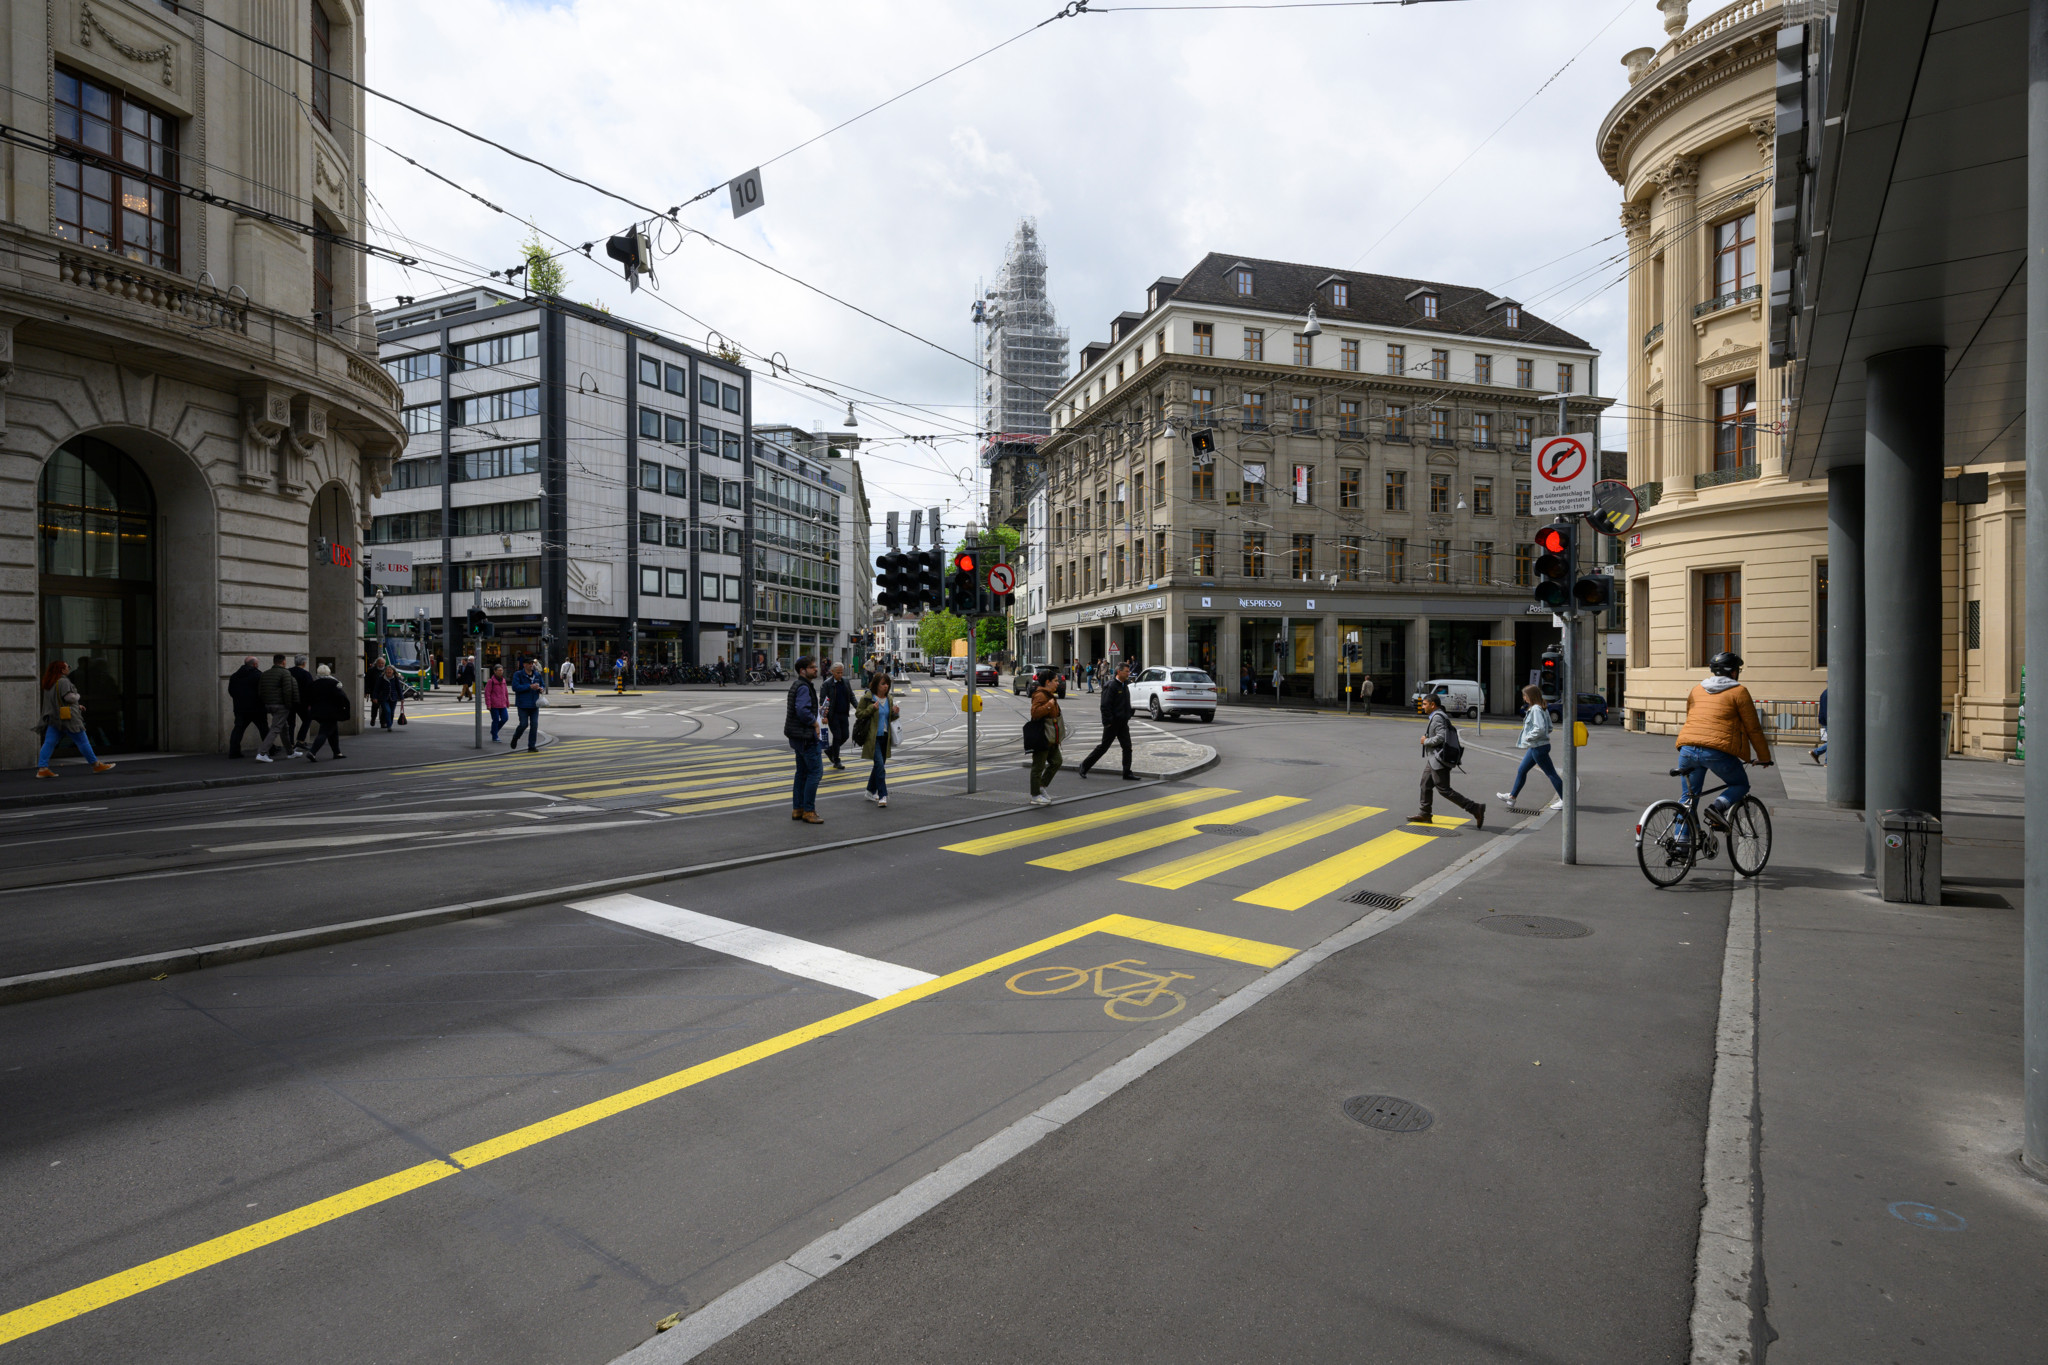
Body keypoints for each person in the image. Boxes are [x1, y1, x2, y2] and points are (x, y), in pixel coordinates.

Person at [1675, 651, 1773, 832]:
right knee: (1740, 784)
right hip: (1717, 750)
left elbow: (1691, 715)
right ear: (1734, 672)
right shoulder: (1739, 691)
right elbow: (1753, 728)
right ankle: (1717, 808)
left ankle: (1681, 844)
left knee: (1688, 799)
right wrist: (1764, 757)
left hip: (1687, 749)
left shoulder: (1697, 689)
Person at [1412, 692, 1485, 828]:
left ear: (1433, 705)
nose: (1423, 706)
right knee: (1425, 784)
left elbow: (1441, 737)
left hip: (1439, 758)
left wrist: (1426, 740)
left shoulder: (1438, 717)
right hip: (1434, 758)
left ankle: (1475, 808)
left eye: (1425, 704)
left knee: (1444, 789)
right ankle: (1425, 813)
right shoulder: (1436, 716)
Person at [35, 660, 116, 777]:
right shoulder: (63, 681)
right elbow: (69, 698)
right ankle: (96, 765)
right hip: (69, 718)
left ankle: (42, 768)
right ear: (62, 670)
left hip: (55, 717)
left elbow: (57, 700)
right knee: (82, 741)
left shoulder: (49, 682)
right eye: (68, 666)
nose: (69, 668)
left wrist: (77, 706)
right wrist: (78, 696)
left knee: (49, 742)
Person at [1497, 684, 1565, 812]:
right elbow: (1549, 728)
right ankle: (1512, 797)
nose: (1524, 698)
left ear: (1531, 696)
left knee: (1551, 773)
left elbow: (1539, 728)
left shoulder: (1536, 709)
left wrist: (1529, 737)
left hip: (1538, 747)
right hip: (1537, 746)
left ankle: (1565, 800)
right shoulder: (1543, 708)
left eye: (1525, 695)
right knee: (1522, 770)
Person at [1079, 661, 1137, 781]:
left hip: (1123, 723)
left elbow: (1126, 703)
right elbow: (1105, 705)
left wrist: (1128, 715)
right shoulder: (1111, 685)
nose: (1128, 673)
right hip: (1112, 723)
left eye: (1128, 671)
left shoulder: (1124, 685)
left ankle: (1127, 772)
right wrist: (1108, 722)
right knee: (1103, 747)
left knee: (1127, 747)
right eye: (1126, 671)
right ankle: (1084, 765)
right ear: (1119, 672)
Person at [785, 655, 826, 823]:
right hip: (806, 736)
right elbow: (802, 710)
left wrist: (819, 711)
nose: (816, 669)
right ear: (803, 671)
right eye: (812, 667)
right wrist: (814, 723)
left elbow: (802, 708)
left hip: (798, 737)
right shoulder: (803, 687)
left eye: (815, 666)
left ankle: (798, 808)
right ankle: (809, 811)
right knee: (815, 772)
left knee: (801, 773)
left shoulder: (798, 685)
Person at [857, 672, 900, 808]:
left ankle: (870, 791)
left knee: (878, 766)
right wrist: (871, 708)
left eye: (887, 683)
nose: (886, 686)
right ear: (876, 685)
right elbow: (859, 714)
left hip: (885, 738)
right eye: (883, 684)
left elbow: (889, 718)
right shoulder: (868, 698)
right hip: (872, 737)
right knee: (880, 767)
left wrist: (895, 713)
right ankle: (883, 795)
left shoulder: (889, 699)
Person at [1027, 666, 1065, 807]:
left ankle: (1041, 786)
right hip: (1042, 736)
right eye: (1055, 681)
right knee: (1038, 766)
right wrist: (1048, 706)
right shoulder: (1040, 695)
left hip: (1051, 738)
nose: (1058, 683)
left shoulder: (1049, 695)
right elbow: (1035, 713)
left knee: (1057, 761)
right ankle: (1035, 795)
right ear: (1047, 682)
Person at [254, 653, 299, 762]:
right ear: (284, 661)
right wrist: (288, 705)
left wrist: (266, 702)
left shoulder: (265, 674)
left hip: (269, 704)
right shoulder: (285, 673)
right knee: (276, 728)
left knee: (284, 728)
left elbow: (260, 691)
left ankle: (290, 752)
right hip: (281, 705)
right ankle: (262, 753)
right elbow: (287, 690)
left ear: (274, 661)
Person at [302, 664, 350, 761]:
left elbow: (308, 698)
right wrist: (344, 709)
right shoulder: (334, 683)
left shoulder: (314, 684)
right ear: (329, 672)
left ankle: (337, 752)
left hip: (318, 713)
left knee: (333, 731)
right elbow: (342, 697)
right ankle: (312, 752)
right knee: (324, 732)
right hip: (331, 712)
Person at [227, 655, 264, 759]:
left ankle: (234, 752)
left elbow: (231, 691)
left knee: (238, 730)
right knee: (264, 729)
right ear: (255, 664)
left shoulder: (235, 676)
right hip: (256, 708)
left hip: (240, 708)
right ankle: (270, 749)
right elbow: (262, 691)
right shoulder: (258, 675)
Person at [822, 663, 855, 771]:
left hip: (844, 713)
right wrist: (824, 716)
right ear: (832, 672)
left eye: (842, 672)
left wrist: (858, 707)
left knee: (845, 735)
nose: (840, 675)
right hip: (833, 715)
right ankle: (836, 760)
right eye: (838, 673)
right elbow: (823, 701)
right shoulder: (827, 684)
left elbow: (851, 696)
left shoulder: (845, 681)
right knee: (837, 736)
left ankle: (830, 750)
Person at [509, 656, 545, 751]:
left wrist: (541, 689)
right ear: (524, 665)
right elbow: (515, 687)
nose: (531, 665)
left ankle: (531, 746)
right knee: (523, 724)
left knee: (534, 725)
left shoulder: (537, 675)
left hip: (534, 704)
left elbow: (542, 684)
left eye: (532, 663)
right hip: (523, 704)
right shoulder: (518, 674)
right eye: (529, 663)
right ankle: (516, 737)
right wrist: (529, 686)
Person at [288, 655, 316, 752]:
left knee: (291, 723)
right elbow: (310, 689)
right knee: (307, 719)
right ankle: (300, 740)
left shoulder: (288, 672)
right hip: (302, 702)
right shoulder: (306, 674)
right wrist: (310, 703)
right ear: (304, 663)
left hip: (289, 701)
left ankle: (290, 743)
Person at [484, 664, 510, 741]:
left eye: (502, 670)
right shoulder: (491, 681)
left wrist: (507, 702)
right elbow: (487, 693)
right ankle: (495, 736)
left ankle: (494, 731)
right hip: (494, 704)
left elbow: (506, 692)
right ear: (495, 671)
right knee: (495, 720)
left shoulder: (503, 680)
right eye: (499, 670)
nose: (501, 672)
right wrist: (488, 704)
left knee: (505, 718)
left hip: (502, 704)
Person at [1810, 687, 1828, 765]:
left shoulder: (1826, 693)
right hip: (1828, 720)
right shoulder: (1829, 693)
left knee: (1832, 740)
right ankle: (1817, 753)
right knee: (1834, 741)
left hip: (1825, 719)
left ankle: (1817, 753)